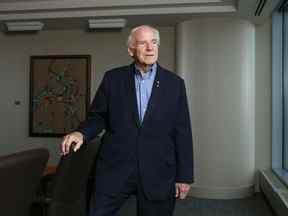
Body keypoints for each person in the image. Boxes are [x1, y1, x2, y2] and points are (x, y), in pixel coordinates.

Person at [61, 25, 193, 216]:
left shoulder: (175, 84)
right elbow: (98, 117)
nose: (150, 48)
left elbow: (183, 131)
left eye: (154, 42)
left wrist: (184, 176)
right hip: (115, 168)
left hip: (158, 171)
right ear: (131, 50)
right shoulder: (113, 79)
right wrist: (81, 133)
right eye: (143, 43)